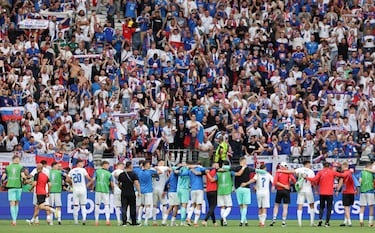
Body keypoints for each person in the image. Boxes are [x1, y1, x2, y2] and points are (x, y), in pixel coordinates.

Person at [304, 161, 347, 227]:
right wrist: (348, 171)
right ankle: (327, 222)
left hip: (322, 193)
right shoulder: (332, 172)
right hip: (329, 193)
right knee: (329, 208)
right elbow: (342, 175)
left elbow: (314, 179)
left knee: (321, 207)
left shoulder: (320, 172)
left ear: (323, 166)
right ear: (329, 166)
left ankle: (320, 219)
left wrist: (306, 177)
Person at [278, 160, 316, 226]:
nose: (310, 165)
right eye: (310, 164)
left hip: (301, 190)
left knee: (300, 205)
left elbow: (290, 172)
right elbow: (313, 181)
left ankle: (299, 223)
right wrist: (316, 190)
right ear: (307, 164)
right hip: (308, 190)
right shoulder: (311, 171)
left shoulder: (300, 169)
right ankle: (312, 222)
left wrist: (281, 171)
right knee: (311, 205)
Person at [0, 155, 27, 226]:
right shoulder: (21, 167)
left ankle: (14, 220)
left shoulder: (8, 167)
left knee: (12, 203)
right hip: (18, 186)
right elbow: (23, 175)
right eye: (18, 159)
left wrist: (2, 184)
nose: (18, 161)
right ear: (16, 159)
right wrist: (25, 179)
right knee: (16, 203)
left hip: (11, 187)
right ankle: (15, 220)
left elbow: (3, 177)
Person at [270, 162, 296, 227]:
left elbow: (275, 181)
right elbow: (293, 179)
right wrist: (295, 184)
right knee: (285, 207)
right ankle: (283, 222)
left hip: (279, 190)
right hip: (286, 191)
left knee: (276, 205)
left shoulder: (278, 172)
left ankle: (274, 219)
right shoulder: (287, 172)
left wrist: (273, 186)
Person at [68, 159, 93, 225]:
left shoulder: (72, 171)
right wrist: (90, 183)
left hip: (75, 189)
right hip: (82, 189)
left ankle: (76, 221)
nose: (83, 164)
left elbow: (67, 179)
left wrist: (72, 184)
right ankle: (84, 218)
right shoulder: (83, 170)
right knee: (83, 205)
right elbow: (88, 178)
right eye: (82, 163)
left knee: (76, 205)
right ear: (78, 163)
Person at [136, 160, 161, 226]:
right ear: (146, 165)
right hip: (148, 191)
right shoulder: (150, 172)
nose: (150, 165)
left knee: (141, 205)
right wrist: (156, 168)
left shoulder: (139, 172)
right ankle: (146, 221)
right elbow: (160, 172)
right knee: (148, 206)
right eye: (149, 164)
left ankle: (139, 219)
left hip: (141, 190)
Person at [336, 161, 359, 227]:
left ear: (343, 166)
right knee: (348, 207)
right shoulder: (352, 173)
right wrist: (357, 190)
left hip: (346, 192)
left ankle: (349, 222)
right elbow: (356, 182)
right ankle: (345, 221)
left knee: (346, 207)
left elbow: (340, 182)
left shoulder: (344, 174)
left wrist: (337, 190)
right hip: (352, 192)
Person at [118, 161, 141, 226]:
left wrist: (122, 188)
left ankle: (124, 222)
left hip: (124, 193)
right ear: (130, 166)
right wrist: (139, 191)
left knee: (124, 207)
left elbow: (119, 184)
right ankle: (134, 222)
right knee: (132, 207)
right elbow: (136, 183)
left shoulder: (121, 174)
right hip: (131, 192)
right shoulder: (133, 174)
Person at [92, 161, 113, 226]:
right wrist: (113, 190)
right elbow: (112, 183)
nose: (108, 166)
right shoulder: (109, 174)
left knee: (97, 205)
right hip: (105, 191)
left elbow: (93, 179)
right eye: (107, 165)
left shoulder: (97, 171)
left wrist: (90, 185)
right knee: (106, 205)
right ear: (104, 165)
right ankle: (107, 220)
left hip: (98, 190)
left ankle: (97, 221)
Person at [186, 161, 206, 227]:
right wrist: (199, 167)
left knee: (193, 205)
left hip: (192, 189)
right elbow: (206, 170)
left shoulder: (190, 171)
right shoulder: (200, 168)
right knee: (198, 205)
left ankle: (188, 217)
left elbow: (183, 173)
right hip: (199, 189)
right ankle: (195, 222)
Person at [152, 160, 170, 226]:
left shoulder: (153, 169)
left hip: (155, 189)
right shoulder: (164, 168)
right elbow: (170, 169)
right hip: (161, 189)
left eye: (163, 162)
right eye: (161, 162)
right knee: (163, 204)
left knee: (155, 205)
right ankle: (163, 220)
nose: (162, 163)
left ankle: (155, 221)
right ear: (158, 163)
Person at [216, 161, 234, 226]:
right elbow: (237, 174)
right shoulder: (230, 172)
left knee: (222, 207)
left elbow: (214, 179)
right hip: (227, 190)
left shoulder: (218, 173)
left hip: (220, 190)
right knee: (229, 206)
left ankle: (224, 221)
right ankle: (223, 217)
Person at [358, 162, 374, 227]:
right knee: (371, 207)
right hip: (370, 191)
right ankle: (370, 222)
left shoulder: (361, 173)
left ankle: (361, 220)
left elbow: (360, 181)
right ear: (369, 167)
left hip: (363, 191)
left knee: (362, 207)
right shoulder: (372, 173)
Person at [202, 162, 218, 227]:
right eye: (216, 165)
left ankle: (214, 222)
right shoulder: (216, 172)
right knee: (213, 206)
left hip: (208, 191)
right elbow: (212, 180)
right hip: (214, 190)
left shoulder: (207, 171)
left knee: (211, 207)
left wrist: (207, 173)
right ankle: (205, 220)